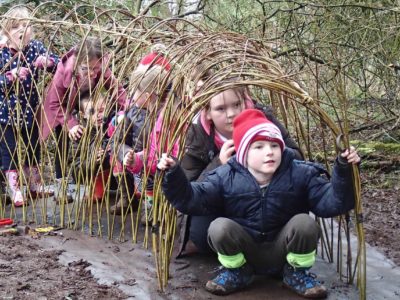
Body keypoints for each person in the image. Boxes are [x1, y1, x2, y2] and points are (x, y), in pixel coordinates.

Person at [158, 108, 360, 298]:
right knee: (219, 227)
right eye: (259, 147)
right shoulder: (225, 176)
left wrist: (344, 171)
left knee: (304, 223)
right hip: (247, 252)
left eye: (274, 145)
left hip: (284, 250)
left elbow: (332, 202)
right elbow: (192, 199)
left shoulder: (300, 173)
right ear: (244, 153)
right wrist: (174, 174)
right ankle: (237, 271)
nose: (269, 152)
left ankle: (296, 273)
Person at [178, 84, 304, 256]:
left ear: (246, 102)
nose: (231, 114)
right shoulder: (198, 135)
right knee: (201, 236)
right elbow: (189, 189)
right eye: (220, 109)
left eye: (236, 105)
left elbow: (298, 158)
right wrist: (219, 163)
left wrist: (268, 154)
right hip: (223, 202)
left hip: (267, 198)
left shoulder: (265, 121)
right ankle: (235, 256)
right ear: (207, 113)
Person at [41, 36, 127, 203]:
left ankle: (103, 180)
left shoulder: (99, 65)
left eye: (96, 69)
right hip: (62, 106)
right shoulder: (64, 71)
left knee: (99, 137)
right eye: (87, 69)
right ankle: (62, 188)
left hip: (88, 103)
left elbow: (118, 90)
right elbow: (54, 103)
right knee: (63, 141)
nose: (93, 73)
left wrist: (128, 111)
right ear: (78, 63)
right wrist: (70, 124)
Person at [0, 6, 59, 206]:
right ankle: (15, 190)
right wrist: (9, 77)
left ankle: (34, 185)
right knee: (10, 150)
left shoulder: (35, 47)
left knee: (34, 146)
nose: (21, 30)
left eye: (25, 26)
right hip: (5, 113)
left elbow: (59, 65)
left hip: (30, 111)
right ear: (6, 29)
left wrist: (48, 62)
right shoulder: (1, 51)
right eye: (16, 26)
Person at [109, 63, 169, 215]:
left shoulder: (167, 115)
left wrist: (146, 156)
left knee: (153, 181)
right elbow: (118, 140)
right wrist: (127, 153)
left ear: (147, 96)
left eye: (135, 91)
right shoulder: (132, 113)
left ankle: (155, 209)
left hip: (157, 162)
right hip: (136, 161)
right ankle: (128, 198)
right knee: (116, 158)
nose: (131, 95)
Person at [71, 92, 116, 202]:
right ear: (83, 115)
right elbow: (74, 170)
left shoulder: (115, 125)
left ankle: (131, 188)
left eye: (101, 110)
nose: (98, 115)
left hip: (117, 178)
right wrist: (92, 160)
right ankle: (97, 187)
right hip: (94, 176)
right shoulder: (80, 135)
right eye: (92, 112)